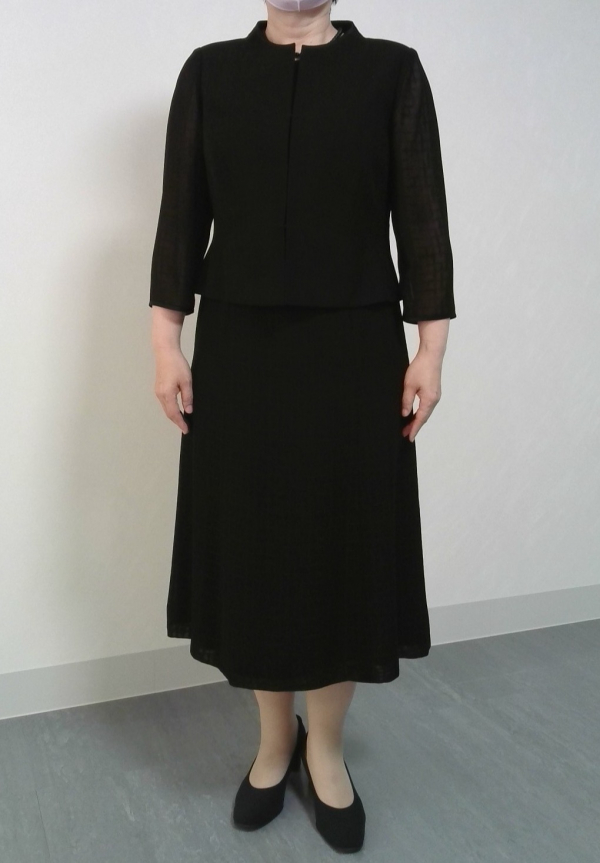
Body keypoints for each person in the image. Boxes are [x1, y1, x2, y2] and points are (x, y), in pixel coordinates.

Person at [149, 0, 456, 851]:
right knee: (256, 543)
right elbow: (182, 214)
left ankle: (325, 747)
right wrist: (166, 343)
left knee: (338, 543)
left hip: (354, 348)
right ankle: (271, 741)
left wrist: (430, 351)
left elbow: (421, 214)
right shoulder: (210, 71)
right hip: (240, 348)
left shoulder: (391, 70)